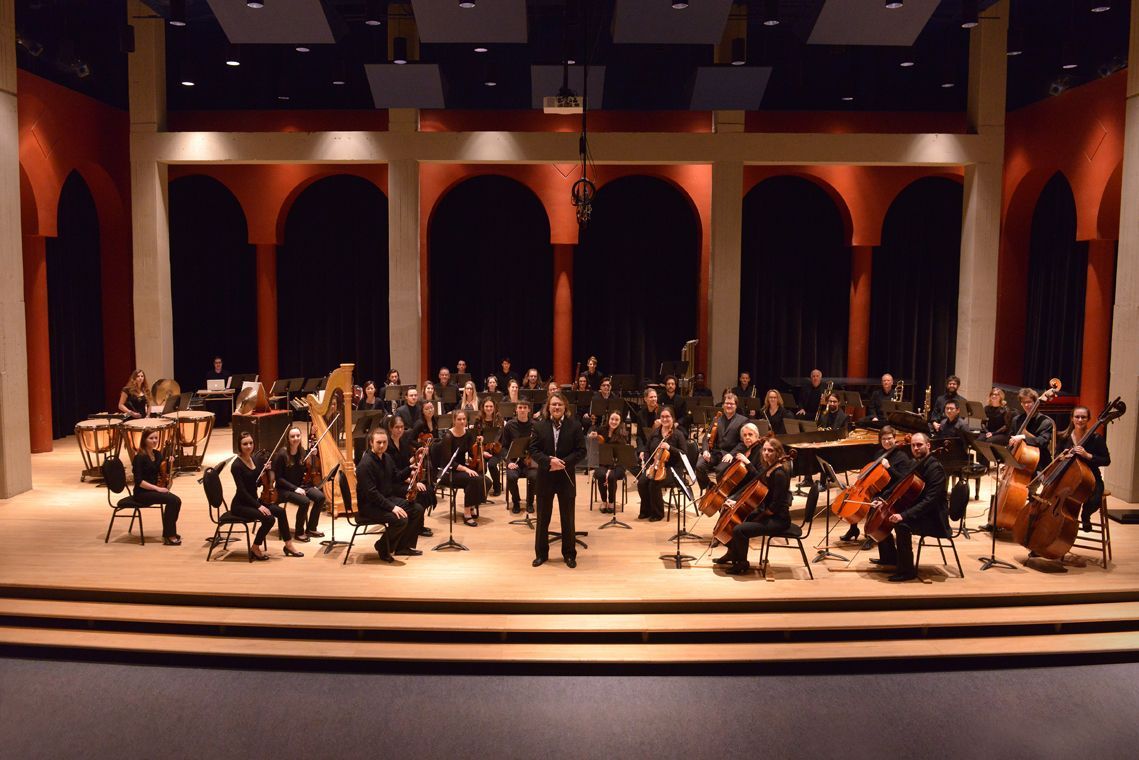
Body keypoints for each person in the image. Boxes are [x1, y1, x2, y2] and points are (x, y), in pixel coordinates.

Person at [870, 432, 949, 582]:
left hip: (934, 517)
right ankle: (890, 559)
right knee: (885, 516)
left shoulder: (935, 469)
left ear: (928, 445)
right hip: (921, 511)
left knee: (901, 524)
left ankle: (907, 571)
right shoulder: (915, 463)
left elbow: (930, 501)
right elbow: (899, 487)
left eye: (919, 445)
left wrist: (904, 515)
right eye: (913, 445)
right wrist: (884, 501)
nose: (916, 448)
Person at [713, 435, 793, 576]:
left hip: (779, 519)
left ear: (778, 453)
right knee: (734, 519)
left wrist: (756, 516)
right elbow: (756, 492)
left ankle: (742, 563)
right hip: (768, 514)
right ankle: (733, 553)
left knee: (739, 529)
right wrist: (737, 503)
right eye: (764, 450)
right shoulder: (769, 469)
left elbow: (774, 507)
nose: (766, 453)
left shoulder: (779, 474)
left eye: (770, 450)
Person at [528, 392, 586, 568]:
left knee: (567, 518)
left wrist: (563, 463)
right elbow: (533, 449)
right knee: (543, 517)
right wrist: (548, 462)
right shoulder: (539, 426)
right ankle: (541, 554)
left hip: (565, 477)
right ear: (548, 407)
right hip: (545, 476)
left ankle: (569, 554)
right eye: (553, 404)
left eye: (560, 404)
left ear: (565, 407)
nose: (556, 407)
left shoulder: (575, 426)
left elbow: (581, 451)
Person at [230, 432, 303, 560]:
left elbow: (256, 483)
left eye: (251, 443)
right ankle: (255, 547)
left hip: (253, 501)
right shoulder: (236, 465)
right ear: (239, 445)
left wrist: (265, 471)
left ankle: (289, 545)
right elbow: (242, 491)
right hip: (241, 504)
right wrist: (259, 506)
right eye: (245, 444)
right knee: (269, 519)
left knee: (280, 511)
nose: (248, 446)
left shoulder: (253, 460)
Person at [838, 425, 911, 543]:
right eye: (883, 439)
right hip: (877, 487)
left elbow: (903, 479)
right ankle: (853, 529)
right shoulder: (879, 454)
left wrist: (889, 467)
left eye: (889, 438)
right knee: (857, 500)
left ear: (894, 438)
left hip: (891, 490)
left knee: (874, 500)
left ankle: (870, 536)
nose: (887, 442)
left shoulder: (902, 457)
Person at [356, 427, 418, 561]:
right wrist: (392, 507)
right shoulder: (365, 465)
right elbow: (372, 494)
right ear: (371, 443)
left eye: (384, 442)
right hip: (370, 506)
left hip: (385, 499)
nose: (382, 445)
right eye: (378, 442)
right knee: (401, 519)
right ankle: (383, 547)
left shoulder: (387, 457)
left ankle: (402, 547)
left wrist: (409, 469)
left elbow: (396, 476)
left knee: (416, 509)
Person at [1058, 406, 1111, 533]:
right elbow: (1056, 456)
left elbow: (1106, 460)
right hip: (1068, 476)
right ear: (1072, 418)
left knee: (1094, 499)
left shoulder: (1096, 438)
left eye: (1083, 417)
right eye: (1077, 417)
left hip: (1091, 477)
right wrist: (1062, 456)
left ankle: (1085, 515)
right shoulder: (1064, 437)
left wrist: (1088, 455)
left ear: (1088, 419)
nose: (1080, 420)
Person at [272, 426, 327, 542]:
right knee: (305, 501)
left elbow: (307, 466)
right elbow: (279, 478)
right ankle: (299, 532)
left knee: (320, 497)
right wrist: (295, 488)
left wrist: (313, 454)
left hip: (301, 486)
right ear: (288, 438)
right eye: (292, 436)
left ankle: (311, 528)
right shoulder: (281, 455)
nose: (295, 438)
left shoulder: (301, 451)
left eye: (298, 436)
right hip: (284, 489)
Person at [434, 409, 486, 526]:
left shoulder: (467, 434)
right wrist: (467, 469)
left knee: (485, 480)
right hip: (449, 472)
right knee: (474, 479)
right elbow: (449, 462)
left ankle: (472, 505)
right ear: (453, 420)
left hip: (461, 469)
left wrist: (479, 444)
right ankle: (467, 513)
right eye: (459, 419)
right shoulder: (448, 436)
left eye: (464, 419)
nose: (462, 422)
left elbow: (473, 454)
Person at [130, 428, 182, 545]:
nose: (154, 441)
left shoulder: (157, 454)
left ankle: (168, 532)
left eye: (156, 438)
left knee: (176, 501)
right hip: (142, 493)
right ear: (144, 440)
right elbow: (138, 481)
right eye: (151, 438)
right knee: (173, 500)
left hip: (154, 490)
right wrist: (158, 489)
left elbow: (163, 471)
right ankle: (169, 535)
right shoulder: (139, 457)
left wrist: (170, 463)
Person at [636, 407, 687, 521]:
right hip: (655, 465)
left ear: (672, 418)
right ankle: (646, 510)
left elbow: (684, 454)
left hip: (673, 469)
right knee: (642, 482)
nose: (665, 419)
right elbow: (648, 449)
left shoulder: (678, 434)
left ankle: (657, 513)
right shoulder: (655, 433)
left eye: (667, 416)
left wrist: (670, 447)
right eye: (662, 417)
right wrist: (649, 462)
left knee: (654, 483)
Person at [696, 393, 746, 490]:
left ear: (736, 406)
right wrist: (705, 450)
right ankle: (710, 488)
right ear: (723, 405)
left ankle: (721, 494)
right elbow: (706, 437)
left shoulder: (743, 420)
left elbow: (743, 442)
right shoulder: (717, 419)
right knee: (699, 465)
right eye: (727, 403)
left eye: (732, 404)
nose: (729, 406)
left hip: (729, 455)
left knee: (720, 470)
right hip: (715, 454)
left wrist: (732, 454)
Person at [501, 399, 537, 514]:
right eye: (520, 407)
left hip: (529, 461)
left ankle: (530, 502)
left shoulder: (535, 426)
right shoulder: (509, 426)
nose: (522, 410)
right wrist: (508, 462)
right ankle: (516, 502)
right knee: (511, 477)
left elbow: (539, 446)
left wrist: (534, 459)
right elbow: (504, 447)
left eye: (525, 408)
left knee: (534, 477)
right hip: (514, 461)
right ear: (516, 410)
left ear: (529, 410)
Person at [590, 410, 628, 514]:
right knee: (601, 475)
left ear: (620, 422)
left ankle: (611, 501)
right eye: (612, 419)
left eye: (616, 420)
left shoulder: (623, 434)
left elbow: (623, 454)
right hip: (602, 462)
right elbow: (594, 445)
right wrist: (593, 437)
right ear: (608, 419)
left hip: (617, 464)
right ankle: (604, 501)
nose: (614, 421)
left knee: (612, 476)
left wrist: (611, 467)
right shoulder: (601, 429)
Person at [1010, 387, 1055, 471]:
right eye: (1024, 402)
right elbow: (1011, 436)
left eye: (1029, 402)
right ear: (1021, 404)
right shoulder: (1016, 420)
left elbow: (1042, 442)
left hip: (1038, 460)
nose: (1026, 405)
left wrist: (1023, 437)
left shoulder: (1045, 422)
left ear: (1035, 402)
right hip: (1019, 459)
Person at [474, 397, 504, 497]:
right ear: (483, 407)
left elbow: (500, 438)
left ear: (494, 407)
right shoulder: (478, 420)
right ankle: (481, 487)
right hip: (482, 450)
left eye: (491, 406)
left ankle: (497, 486)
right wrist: (482, 452)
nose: (489, 408)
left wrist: (493, 448)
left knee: (491, 465)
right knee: (479, 466)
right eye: (486, 406)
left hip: (496, 450)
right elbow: (476, 439)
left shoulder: (499, 419)